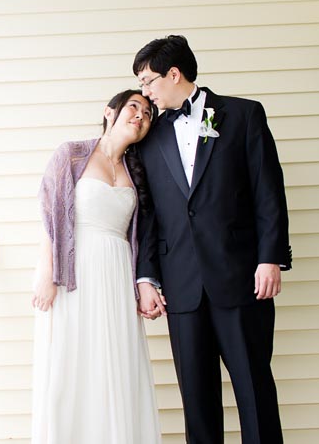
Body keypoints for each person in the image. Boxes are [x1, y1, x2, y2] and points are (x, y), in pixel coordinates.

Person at [133, 35, 292, 444]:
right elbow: (149, 213)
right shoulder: (150, 138)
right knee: (197, 403)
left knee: (254, 392)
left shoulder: (242, 116)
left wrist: (270, 257)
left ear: (174, 74)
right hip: (182, 289)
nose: (145, 92)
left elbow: (267, 191)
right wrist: (147, 276)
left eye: (148, 81)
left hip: (241, 279)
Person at [31, 89, 161, 444]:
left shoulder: (138, 170)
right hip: (75, 272)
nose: (141, 115)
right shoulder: (71, 155)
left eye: (148, 113)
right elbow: (50, 218)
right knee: (72, 366)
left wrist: (142, 283)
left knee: (115, 366)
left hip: (118, 274)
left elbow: (145, 231)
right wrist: (46, 274)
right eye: (134, 107)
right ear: (109, 112)